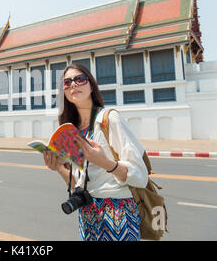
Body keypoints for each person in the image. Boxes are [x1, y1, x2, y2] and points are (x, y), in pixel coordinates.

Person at [43, 63, 148, 241]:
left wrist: (105, 163)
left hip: (118, 212)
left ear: (91, 85)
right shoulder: (70, 130)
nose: (73, 85)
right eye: (67, 83)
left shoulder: (109, 119)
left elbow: (141, 176)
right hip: (88, 214)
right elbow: (79, 183)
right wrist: (59, 168)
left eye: (80, 79)